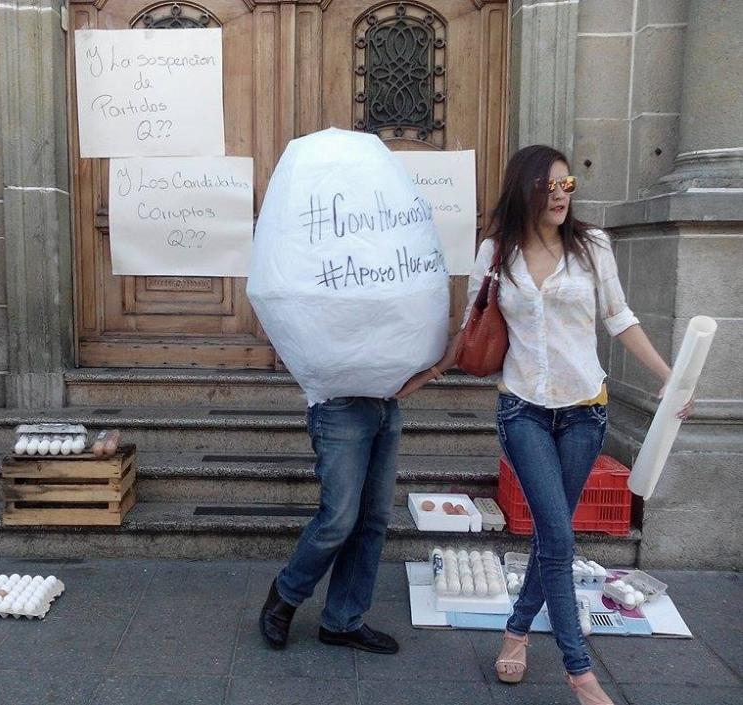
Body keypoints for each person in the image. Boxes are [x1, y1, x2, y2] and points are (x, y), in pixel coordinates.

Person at [396, 145, 693, 705]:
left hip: (585, 409)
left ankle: (515, 632)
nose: (560, 195)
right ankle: (580, 672)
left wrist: (670, 376)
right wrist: (422, 374)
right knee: (557, 536)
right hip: (523, 408)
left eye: (568, 185)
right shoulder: (496, 250)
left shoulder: (593, 245)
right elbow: (470, 325)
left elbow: (619, 317)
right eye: (549, 186)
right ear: (525, 189)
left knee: (552, 539)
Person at [258, 395, 402, 654]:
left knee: (373, 518)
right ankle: (285, 595)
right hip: (339, 405)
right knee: (338, 520)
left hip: (387, 403)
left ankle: (343, 621)